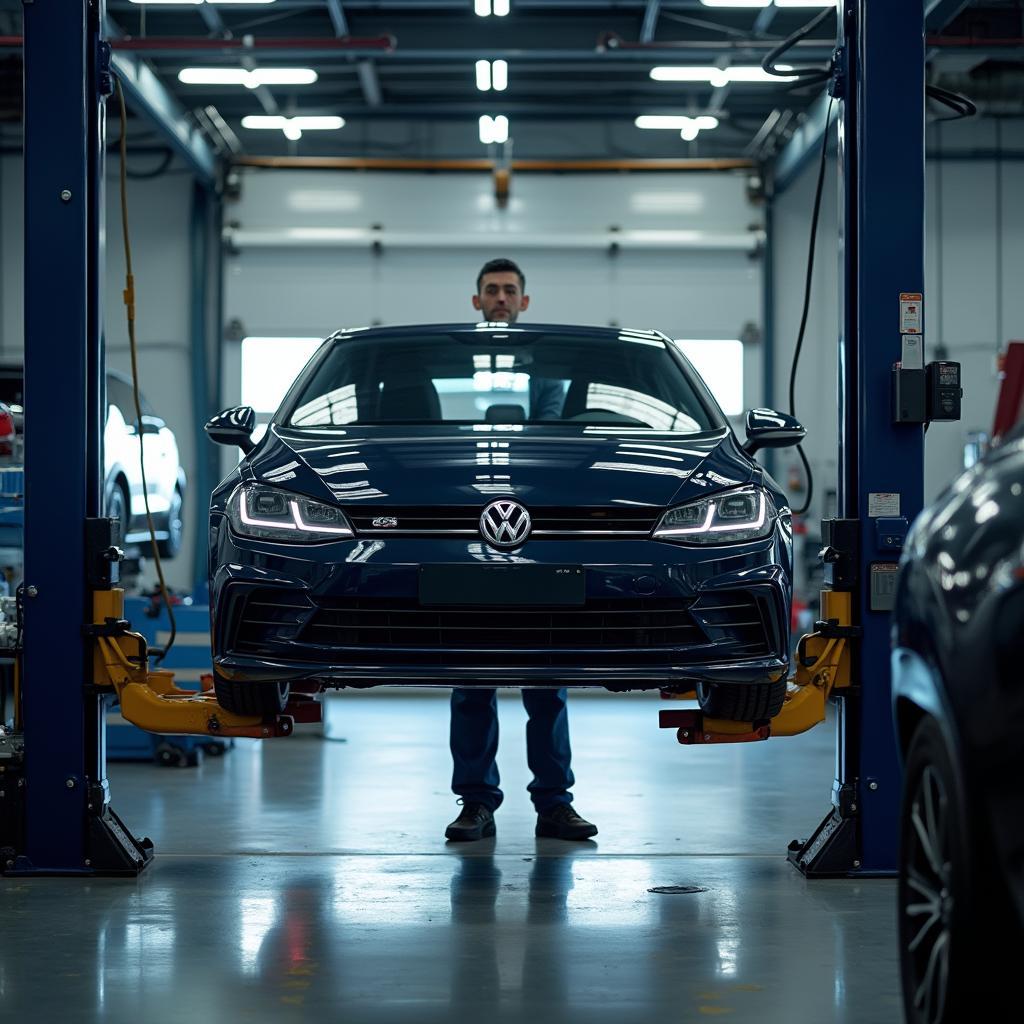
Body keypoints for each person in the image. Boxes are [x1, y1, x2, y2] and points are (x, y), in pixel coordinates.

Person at [444, 258, 598, 843]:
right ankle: (476, 803)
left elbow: (560, 445)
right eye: (492, 291)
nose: (502, 298)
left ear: (525, 301)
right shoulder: (454, 360)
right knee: (470, 679)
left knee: (546, 679)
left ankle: (554, 805)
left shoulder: (548, 372)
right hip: (458, 538)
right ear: (476, 299)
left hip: (538, 537)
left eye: (510, 290)